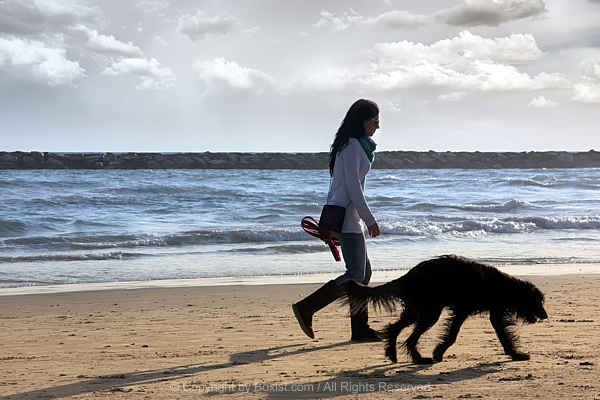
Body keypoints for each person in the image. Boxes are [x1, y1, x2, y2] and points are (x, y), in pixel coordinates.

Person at [292, 99, 381, 341]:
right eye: (375, 121)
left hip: (348, 216)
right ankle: (307, 308)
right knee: (355, 274)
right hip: (347, 218)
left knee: (363, 274)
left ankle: (360, 330)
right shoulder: (352, 145)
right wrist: (369, 219)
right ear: (363, 121)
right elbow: (353, 188)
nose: (378, 126)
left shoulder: (356, 145)